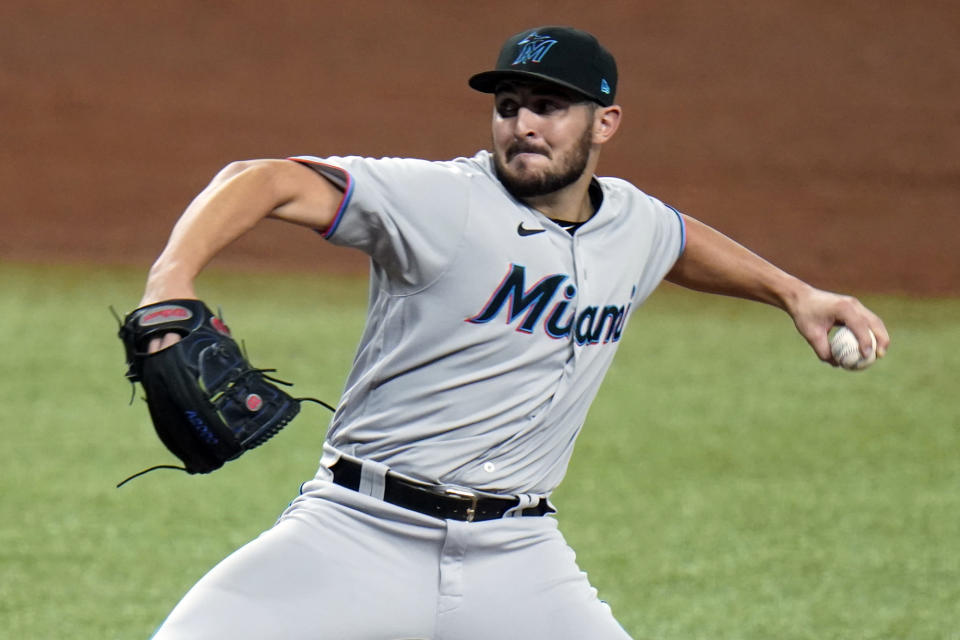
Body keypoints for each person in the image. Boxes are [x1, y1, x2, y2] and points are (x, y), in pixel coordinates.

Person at [140, 26, 889, 640]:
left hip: (516, 555)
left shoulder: (632, 220)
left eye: (549, 106)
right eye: (508, 105)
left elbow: (678, 242)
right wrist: (171, 278)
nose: (523, 124)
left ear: (606, 122)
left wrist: (795, 294)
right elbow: (262, 175)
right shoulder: (442, 201)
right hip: (357, 531)